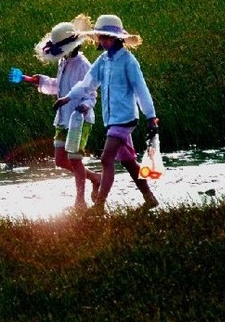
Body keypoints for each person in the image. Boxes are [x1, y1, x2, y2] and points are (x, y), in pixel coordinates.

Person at [54, 14, 159, 212]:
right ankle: (149, 197)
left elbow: (140, 89)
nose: (103, 41)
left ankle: (100, 204)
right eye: (101, 37)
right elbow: (87, 83)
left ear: (117, 38)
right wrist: (67, 97)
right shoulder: (103, 61)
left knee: (106, 159)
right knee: (129, 162)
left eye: (107, 37)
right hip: (111, 119)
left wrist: (150, 116)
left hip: (125, 118)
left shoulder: (128, 61)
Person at [20, 14, 101, 211]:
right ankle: (95, 178)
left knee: (74, 158)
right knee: (60, 160)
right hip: (63, 118)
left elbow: (92, 92)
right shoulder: (63, 63)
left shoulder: (83, 66)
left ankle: (80, 200)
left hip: (80, 119)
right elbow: (59, 86)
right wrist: (35, 80)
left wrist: (86, 106)